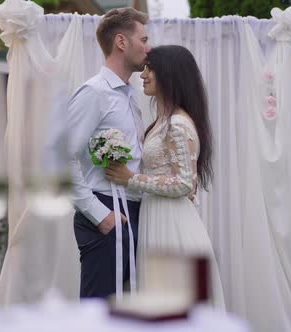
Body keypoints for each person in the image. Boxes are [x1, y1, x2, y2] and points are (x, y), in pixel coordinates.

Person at [105, 45, 225, 309]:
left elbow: (185, 184)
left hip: (172, 223)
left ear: (170, 74)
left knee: (175, 299)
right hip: (156, 215)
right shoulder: (162, 120)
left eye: (150, 68)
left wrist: (130, 178)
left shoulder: (178, 124)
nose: (143, 74)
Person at [67, 7, 150, 298]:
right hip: (106, 211)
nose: (148, 48)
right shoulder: (94, 92)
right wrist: (99, 215)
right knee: (98, 315)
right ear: (121, 42)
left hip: (135, 211)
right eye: (143, 39)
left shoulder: (131, 96)